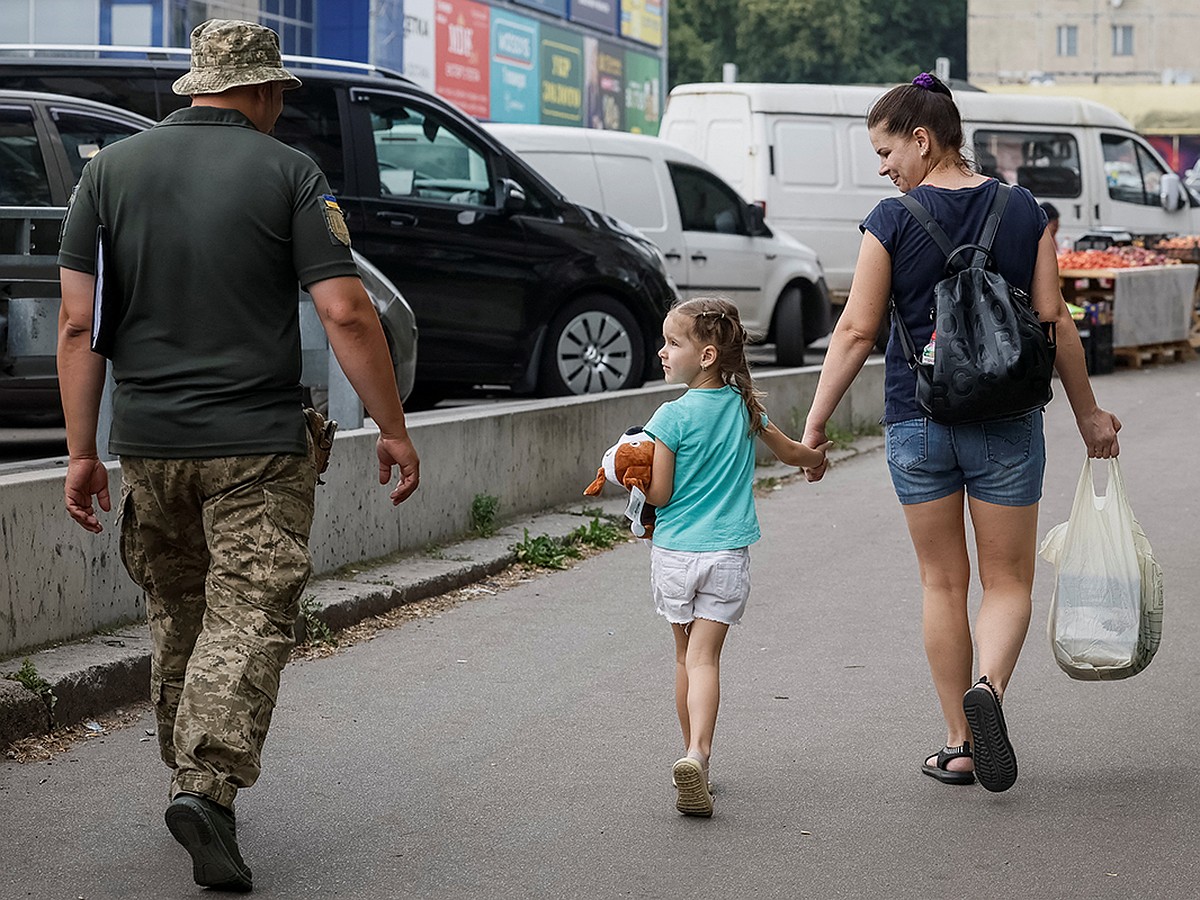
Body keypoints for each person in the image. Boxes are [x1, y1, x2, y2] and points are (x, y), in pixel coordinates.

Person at [56, 19, 420, 891]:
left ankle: (189, 779)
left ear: (197, 86)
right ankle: (206, 786)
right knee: (251, 612)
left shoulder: (107, 173)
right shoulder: (289, 171)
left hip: (147, 446)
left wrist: (81, 453)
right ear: (260, 91)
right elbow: (346, 312)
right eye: (277, 96)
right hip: (257, 446)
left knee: (180, 614)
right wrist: (394, 428)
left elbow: (77, 323)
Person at [800, 73, 1120, 794]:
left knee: (942, 583)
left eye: (887, 151)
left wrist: (815, 425)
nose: (883, 168)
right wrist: (1089, 415)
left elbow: (855, 331)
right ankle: (991, 691)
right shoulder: (1023, 211)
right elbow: (1054, 319)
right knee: (1007, 583)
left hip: (919, 422)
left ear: (921, 139)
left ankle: (959, 745)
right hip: (1007, 420)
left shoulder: (891, 219)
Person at [643, 296, 831, 817]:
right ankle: (699, 755)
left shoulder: (670, 416)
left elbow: (658, 494)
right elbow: (792, 452)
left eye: (672, 343)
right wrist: (816, 459)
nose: (662, 351)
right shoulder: (745, 407)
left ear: (705, 355)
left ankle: (691, 755)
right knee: (707, 659)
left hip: (675, 554)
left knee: (684, 658)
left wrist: (631, 472)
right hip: (726, 555)